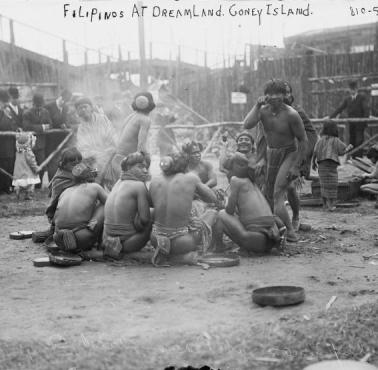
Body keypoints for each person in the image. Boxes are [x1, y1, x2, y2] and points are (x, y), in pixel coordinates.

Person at [243, 79, 308, 242]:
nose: (273, 97)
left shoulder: (292, 114)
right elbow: (247, 124)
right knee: (268, 194)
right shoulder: (263, 111)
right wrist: (257, 106)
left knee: (278, 193)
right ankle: (276, 227)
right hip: (271, 153)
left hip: (289, 153)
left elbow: (303, 140)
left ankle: (291, 231)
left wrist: (296, 166)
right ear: (265, 96)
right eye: (269, 94)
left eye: (277, 94)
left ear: (284, 96)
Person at [149, 151, 218, 266]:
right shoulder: (191, 178)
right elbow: (213, 198)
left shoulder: (155, 180)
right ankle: (181, 257)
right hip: (182, 242)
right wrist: (193, 191)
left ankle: (167, 254)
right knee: (213, 213)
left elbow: (151, 204)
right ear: (185, 165)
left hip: (156, 240)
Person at [211, 153, 285, 254]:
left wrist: (224, 201)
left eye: (228, 170)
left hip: (256, 241)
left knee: (220, 214)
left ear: (233, 168)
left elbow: (229, 210)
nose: (227, 173)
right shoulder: (252, 181)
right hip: (270, 240)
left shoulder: (235, 180)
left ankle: (218, 246)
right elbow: (242, 212)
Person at [102, 152, 152, 259]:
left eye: (146, 167)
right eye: (140, 167)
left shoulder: (117, 183)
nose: (145, 170)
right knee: (154, 213)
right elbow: (145, 219)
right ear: (129, 167)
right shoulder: (139, 185)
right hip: (126, 244)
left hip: (106, 242)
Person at [32, 147, 83, 245]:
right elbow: (59, 197)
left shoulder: (76, 173)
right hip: (58, 210)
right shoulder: (61, 177)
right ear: (64, 164)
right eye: (73, 164)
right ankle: (54, 230)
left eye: (79, 163)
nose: (77, 167)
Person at [53, 163, 107, 253]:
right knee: (104, 206)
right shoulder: (95, 187)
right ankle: (101, 245)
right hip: (81, 238)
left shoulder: (66, 190)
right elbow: (111, 204)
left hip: (58, 239)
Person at [108, 92, 155, 186]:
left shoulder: (131, 116)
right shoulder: (145, 119)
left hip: (116, 160)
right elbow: (141, 147)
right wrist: (147, 161)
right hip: (126, 164)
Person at [74, 97, 116, 187]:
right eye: (80, 108)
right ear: (78, 112)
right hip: (93, 160)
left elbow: (111, 136)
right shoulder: (81, 128)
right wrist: (95, 155)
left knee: (111, 184)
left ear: (91, 108)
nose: (83, 109)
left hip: (109, 155)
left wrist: (107, 152)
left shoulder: (102, 119)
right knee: (94, 182)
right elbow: (82, 147)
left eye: (85, 106)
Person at [312, 121, 353, 211]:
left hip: (321, 165)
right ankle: (331, 205)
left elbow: (315, 151)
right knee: (332, 185)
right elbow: (341, 152)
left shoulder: (320, 140)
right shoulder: (336, 140)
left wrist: (313, 163)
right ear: (335, 129)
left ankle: (325, 205)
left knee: (323, 185)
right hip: (331, 166)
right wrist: (348, 149)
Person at [329, 80, 369, 158]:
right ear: (349, 90)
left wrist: (364, 121)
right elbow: (340, 108)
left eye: (354, 89)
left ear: (357, 89)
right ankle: (352, 157)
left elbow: (366, 109)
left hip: (360, 123)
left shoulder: (361, 97)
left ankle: (358, 157)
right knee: (352, 140)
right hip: (351, 124)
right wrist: (331, 117)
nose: (352, 91)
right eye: (351, 89)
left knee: (359, 140)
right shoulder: (347, 99)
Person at [23, 93, 53, 185]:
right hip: (30, 143)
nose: (39, 107)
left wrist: (38, 127)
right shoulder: (27, 113)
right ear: (33, 103)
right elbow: (26, 126)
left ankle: (39, 184)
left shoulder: (46, 112)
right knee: (30, 164)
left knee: (42, 164)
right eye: (37, 105)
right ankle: (31, 185)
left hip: (42, 143)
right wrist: (43, 127)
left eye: (41, 105)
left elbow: (51, 125)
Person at [44, 89, 73, 181]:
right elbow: (47, 122)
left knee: (61, 160)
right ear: (61, 97)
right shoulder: (48, 106)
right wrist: (59, 124)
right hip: (50, 139)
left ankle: (60, 180)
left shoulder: (66, 107)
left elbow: (67, 120)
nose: (64, 103)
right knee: (51, 160)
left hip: (62, 139)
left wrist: (66, 125)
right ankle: (51, 181)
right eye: (64, 100)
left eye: (66, 101)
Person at [12, 132, 40, 200]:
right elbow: (32, 163)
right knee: (30, 184)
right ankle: (28, 195)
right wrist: (36, 169)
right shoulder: (29, 152)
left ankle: (17, 192)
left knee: (19, 185)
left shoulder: (18, 151)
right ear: (29, 143)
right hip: (27, 173)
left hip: (18, 173)